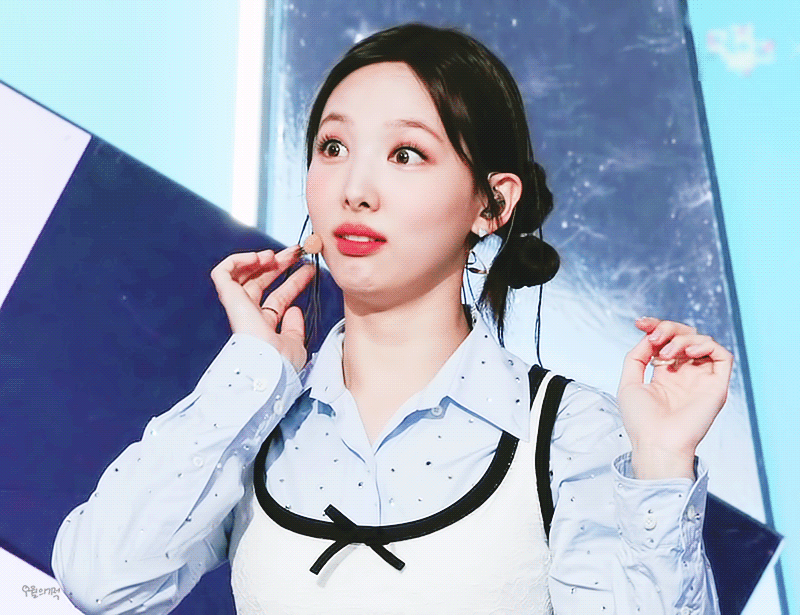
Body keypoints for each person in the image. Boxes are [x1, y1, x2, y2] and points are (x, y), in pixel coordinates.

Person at [52, 23, 732, 614]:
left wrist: (662, 463)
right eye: (333, 148)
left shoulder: (567, 430)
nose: (355, 189)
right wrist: (250, 373)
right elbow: (104, 584)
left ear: (492, 204)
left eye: (406, 154)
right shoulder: (260, 415)